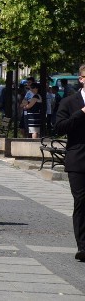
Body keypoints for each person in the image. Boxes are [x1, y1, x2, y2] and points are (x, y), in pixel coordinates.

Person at [54, 65, 85, 262]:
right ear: (82, 79)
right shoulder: (69, 102)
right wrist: (81, 113)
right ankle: (83, 246)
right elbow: (59, 128)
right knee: (81, 202)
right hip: (79, 159)